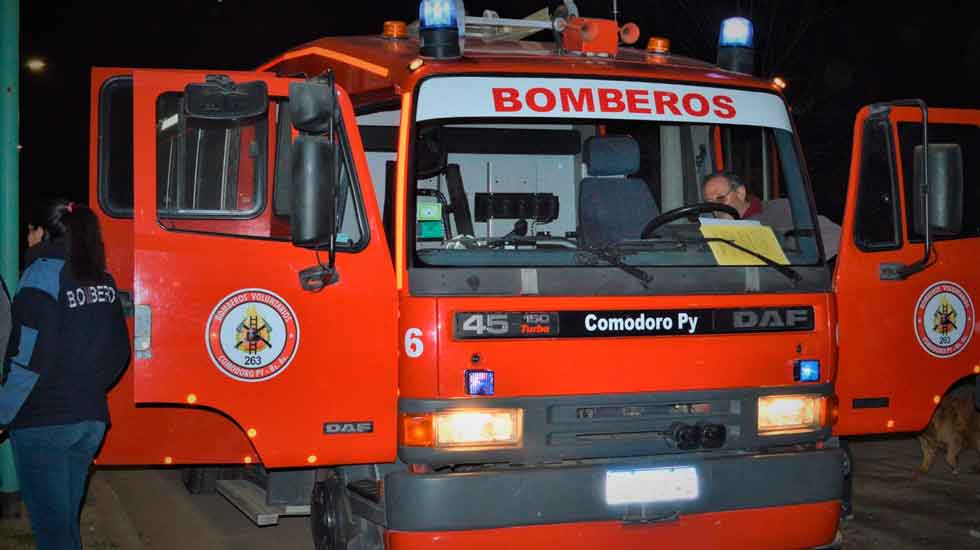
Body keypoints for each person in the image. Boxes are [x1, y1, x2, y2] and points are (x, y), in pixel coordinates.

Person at [0, 199, 131, 550]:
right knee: (65, 528)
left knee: (54, 534)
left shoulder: (39, 277)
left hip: (44, 424)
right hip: (89, 420)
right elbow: (119, 353)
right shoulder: (103, 281)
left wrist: (3, 412)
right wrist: (84, 387)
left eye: (32, 230)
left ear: (42, 233)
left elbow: (27, 359)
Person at [702, 171, 842, 260]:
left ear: (740, 193)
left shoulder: (779, 209)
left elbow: (835, 236)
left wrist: (775, 241)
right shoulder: (709, 231)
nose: (716, 207)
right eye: (710, 202)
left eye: (720, 198)